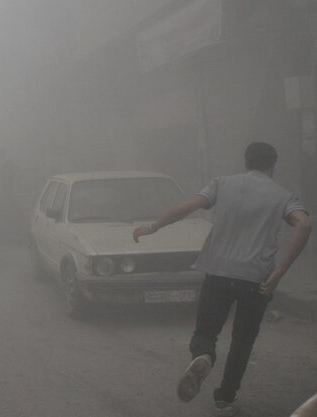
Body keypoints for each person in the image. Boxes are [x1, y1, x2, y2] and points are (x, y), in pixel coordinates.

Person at [133, 142, 312, 416]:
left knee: (206, 332)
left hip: (218, 272)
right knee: (243, 340)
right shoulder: (283, 195)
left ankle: (203, 355)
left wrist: (153, 226)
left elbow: (188, 206)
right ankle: (225, 398)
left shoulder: (222, 184)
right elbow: (304, 224)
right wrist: (279, 272)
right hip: (258, 278)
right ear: (272, 166)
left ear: (246, 162)